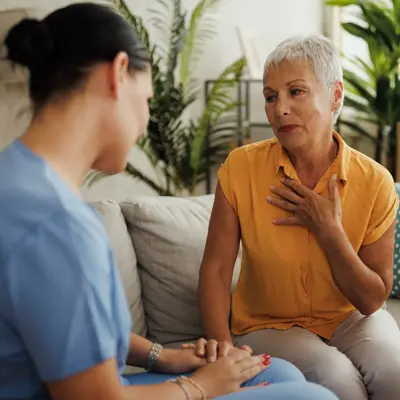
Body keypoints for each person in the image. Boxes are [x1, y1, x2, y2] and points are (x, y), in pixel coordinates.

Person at [0, 4, 339, 400]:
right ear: (117, 73)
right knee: (315, 397)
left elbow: (59, 321)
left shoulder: (20, 180)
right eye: (146, 100)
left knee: (280, 372)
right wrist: (196, 386)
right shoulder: (57, 223)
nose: (144, 123)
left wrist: (163, 357)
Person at [197, 33, 400, 400]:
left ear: (335, 94)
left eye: (296, 92)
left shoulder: (375, 182)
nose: (280, 109)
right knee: (338, 381)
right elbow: (215, 271)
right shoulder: (240, 168)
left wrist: (329, 231)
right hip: (267, 324)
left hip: (350, 316)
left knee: (395, 370)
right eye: (271, 97)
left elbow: (371, 301)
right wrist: (222, 353)